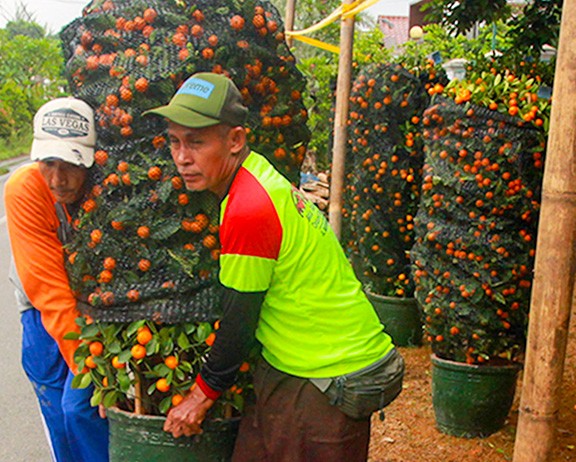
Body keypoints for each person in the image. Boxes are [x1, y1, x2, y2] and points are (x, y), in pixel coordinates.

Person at [146, 72, 401, 461]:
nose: (182, 157)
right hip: (291, 364)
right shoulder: (255, 175)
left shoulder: (249, 206)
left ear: (235, 140)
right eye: (175, 142)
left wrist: (200, 396)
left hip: (328, 372)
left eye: (197, 142)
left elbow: (238, 320)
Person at [5, 97, 109, 461]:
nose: (58, 179)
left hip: (97, 308)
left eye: (71, 165)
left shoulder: (108, 187)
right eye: (48, 164)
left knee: (83, 411)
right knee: (64, 416)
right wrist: (93, 374)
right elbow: (49, 294)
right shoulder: (25, 190)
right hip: (42, 310)